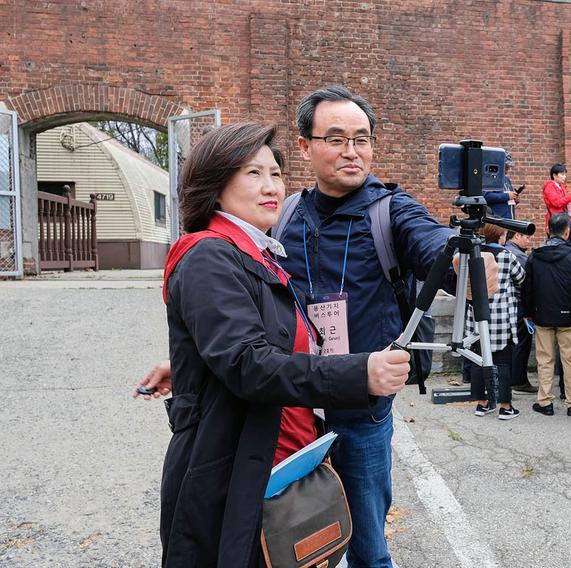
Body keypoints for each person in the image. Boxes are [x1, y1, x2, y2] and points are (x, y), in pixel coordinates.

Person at [140, 85, 498, 568]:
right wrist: (196, 360)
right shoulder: (278, 217)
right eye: (336, 138)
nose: (352, 151)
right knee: (296, 541)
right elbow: (244, 317)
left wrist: (462, 265)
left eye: (362, 139)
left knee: (367, 544)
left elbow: (431, 239)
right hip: (285, 410)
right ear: (306, 146)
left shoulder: (390, 209)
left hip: (357, 404)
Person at [146, 122, 411, 566]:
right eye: (253, 174)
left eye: (275, 174)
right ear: (215, 184)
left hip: (280, 460)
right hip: (242, 470)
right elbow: (248, 363)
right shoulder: (210, 253)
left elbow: (241, 342)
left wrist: (193, 363)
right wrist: (359, 372)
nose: (271, 187)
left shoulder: (253, 251)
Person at [523, 213, 571, 417]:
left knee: (545, 359)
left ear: (547, 230)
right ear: (567, 232)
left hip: (541, 315)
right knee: (570, 359)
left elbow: (527, 287)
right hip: (568, 316)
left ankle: (545, 401)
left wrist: (527, 312)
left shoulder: (535, 256)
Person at [465, 221, 525, 420]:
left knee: (478, 360)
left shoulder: (471, 254)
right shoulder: (506, 256)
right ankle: (505, 407)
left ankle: (482, 404)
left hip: (475, 317)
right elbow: (521, 278)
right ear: (499, 235)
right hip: (500, 319)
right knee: (502, 362)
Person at [504, 230, 537, 394]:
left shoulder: (503, 251)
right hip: (517, 303)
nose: (528, 241)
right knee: (521, 342)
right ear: (516, 236)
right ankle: (518, 380)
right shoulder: (519, 256)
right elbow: (526, 282)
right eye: (526, 237)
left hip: (503, 305)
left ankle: (511, 379)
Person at [542, 164, 571, 231]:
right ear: (554, 175)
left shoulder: (561, 187)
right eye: (562, 174)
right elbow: (557, 202)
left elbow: (565, 201)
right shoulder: (549, 186)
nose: (564, 177)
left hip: (563, 219)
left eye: (565, 174)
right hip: (555, 221)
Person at [483, 151, 519, 220]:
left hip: (510, 222)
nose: (507, 170)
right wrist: (507, 196)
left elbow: (506, 200)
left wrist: (515, 199)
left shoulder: (506, 179)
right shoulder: (489, 179)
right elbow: (485, 197)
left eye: (508, 167)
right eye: (505, 167)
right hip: (497, 223)